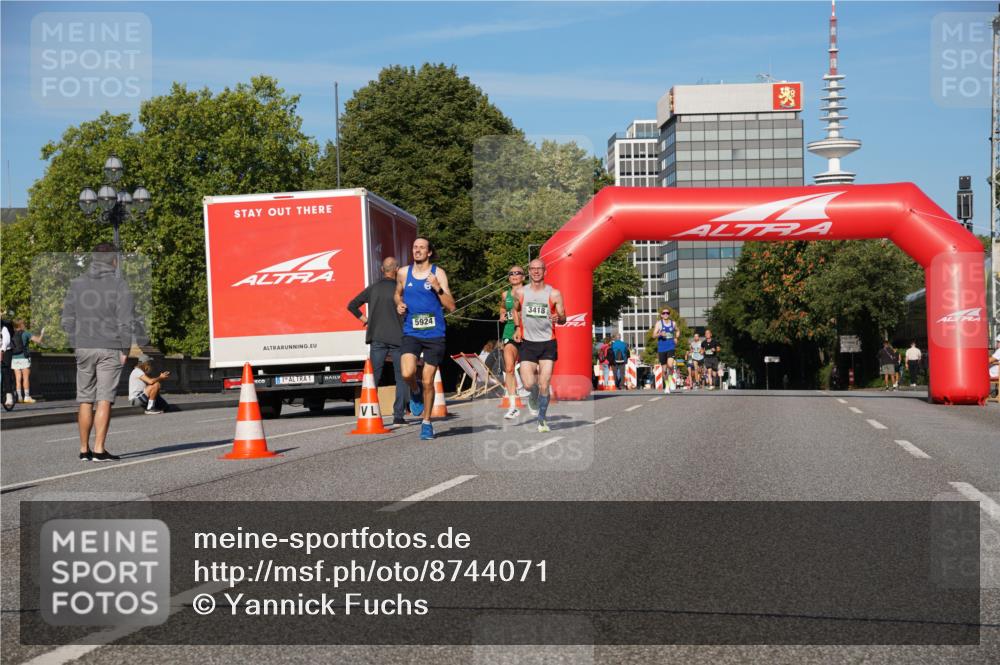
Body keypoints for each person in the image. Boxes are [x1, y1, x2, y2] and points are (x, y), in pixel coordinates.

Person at [61, 243, 135, 462]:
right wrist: (125, 348)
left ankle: (84, 450)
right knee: (104, 398)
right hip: (110, 347)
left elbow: (66, 319)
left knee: (85, 399)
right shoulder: (120, 285)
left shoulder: (77, 284)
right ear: (113, 261)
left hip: (83, 346)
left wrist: (76, 342)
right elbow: (125, 322)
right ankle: (99, 449)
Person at [395, 238, 456, 440]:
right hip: (411, 331)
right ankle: (415, 389)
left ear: (429, 252)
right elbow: (397, 294)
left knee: (429, 380)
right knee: (407, 373)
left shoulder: (438, 273)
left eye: (422, 247)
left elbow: (451, 306)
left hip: (434, 334)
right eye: (415, 247)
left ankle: (427, 422)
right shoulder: (403, 273)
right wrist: (399, 304)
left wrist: (438, 287)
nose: (417, 250)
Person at [348, 256, 409, 425]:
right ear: (396, 269)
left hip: (377, 337)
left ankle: (371, 413)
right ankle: (398, 416)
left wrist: (365, 320)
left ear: (382, 270)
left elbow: (352, 305)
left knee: (373, 376)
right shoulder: (401, 289)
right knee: (401, 377)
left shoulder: (373, 289)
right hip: (398, 338)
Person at [512, 259, 566, 433]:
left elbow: (563, 317)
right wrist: (517, 327)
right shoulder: (520, 292)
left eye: (539, 269)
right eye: (533, 269)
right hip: (528, 343)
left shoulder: (554, 294)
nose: (536, 272)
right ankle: (533, 393)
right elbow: (515, 310)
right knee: (529, 384)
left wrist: (559, 318)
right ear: (529, 271)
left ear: (545, 271)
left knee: (545, 383)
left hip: (548, 343)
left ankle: (541, 419)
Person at [499, 266, 524, 419]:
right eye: (511, 273)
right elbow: (503, 308)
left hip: (527, 332)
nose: (514, 275)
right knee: (509, 368)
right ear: (509, 278)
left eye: (517, 273)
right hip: (509, 331)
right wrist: (502, 315)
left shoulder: (529, 292)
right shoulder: (505, 294)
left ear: (523, 277)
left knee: (531, 371)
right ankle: (513, 406)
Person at [10, 319, 45, 404]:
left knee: (18, 379)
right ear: (21, 325)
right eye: (24, 324)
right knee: (25, 378)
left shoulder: (12, 334)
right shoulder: (26, 333)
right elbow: (38, 341)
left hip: (14, 358)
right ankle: (26, 397)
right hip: (24, 358)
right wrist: (42, 333)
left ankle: (19, 397)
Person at [652, 309, 678, 394]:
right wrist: (660, 334)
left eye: (667, 313)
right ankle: (666, 385)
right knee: (664, 370)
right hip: (662, 348)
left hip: (671, 347)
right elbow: (653, 335)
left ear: (669, 314)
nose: (666, 314)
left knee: (670, 365)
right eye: (664, 313)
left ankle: (670, 383)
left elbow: (678, 330)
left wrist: (676, 337)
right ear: (661, 315)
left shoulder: (673, 323)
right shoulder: (659, 323)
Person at [1, 315, 13, 409]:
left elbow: (6, 340)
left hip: (6, 350)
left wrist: (2, 351)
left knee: (5, 371)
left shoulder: (3, 328)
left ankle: (9, 396)